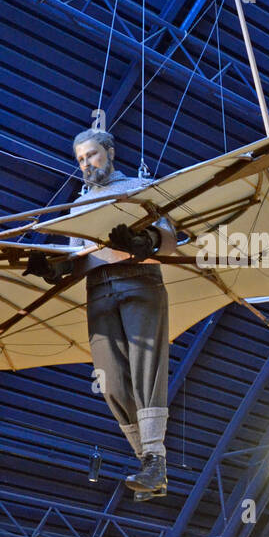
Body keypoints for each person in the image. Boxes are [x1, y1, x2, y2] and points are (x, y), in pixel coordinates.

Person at [25, 128, 177, 500]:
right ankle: (149, 464)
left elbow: (171, 238)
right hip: (99, 291)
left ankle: (155, 457)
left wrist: (144, 242)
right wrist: (54, 269)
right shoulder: (78, 206)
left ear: (110, 152)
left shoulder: (142, 186)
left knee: (146, 367)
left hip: (139, 281)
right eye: (79, 159)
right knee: (108, 379)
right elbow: (77, 260)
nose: (86, 164)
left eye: (91, 155)